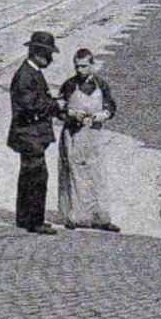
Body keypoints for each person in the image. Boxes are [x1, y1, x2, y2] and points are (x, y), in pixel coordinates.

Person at [57, 48, 120, 231]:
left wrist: (103, 115)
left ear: (92, 65)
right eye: (77, 66)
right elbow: (59, 110)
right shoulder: (68, 85)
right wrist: (71, 114)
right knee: (74, 173)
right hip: (74, 135)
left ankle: (100, 218)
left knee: (96, 173)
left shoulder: (102, 85)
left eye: (84, 66)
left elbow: (111, 107)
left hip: (94, 134)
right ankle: (74, 217)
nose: (80, 70)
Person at [7, 30, 63, 234]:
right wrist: (55, 104)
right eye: (48, 54)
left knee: (28, 176)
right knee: (37, 177)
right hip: (28, 133)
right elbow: (31, 105)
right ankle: (34, 221)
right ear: (37, 53)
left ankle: (24, 218)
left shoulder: (32, 72)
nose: (50, 59)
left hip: (30, 133)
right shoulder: (25, 75)